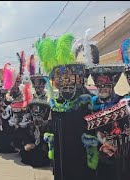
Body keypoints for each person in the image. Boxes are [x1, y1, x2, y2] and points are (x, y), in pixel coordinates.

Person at [35, 34, 94, 180]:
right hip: (61, 153)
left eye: (68, 79)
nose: (65, 84)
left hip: (80, 153)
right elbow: (51, 124)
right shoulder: (57, 102)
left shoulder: (86, 100)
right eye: (61, 80)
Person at [83, 64, 129, 180]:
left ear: (112, 86)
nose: (102, 89)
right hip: (98, 152)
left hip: (118, 154)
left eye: (105, 86)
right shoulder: (92, 103)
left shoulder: (121, 101)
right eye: (99, 86)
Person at [0, 84, 17, 153]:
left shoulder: (8, 105)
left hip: (6, 124)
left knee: (5, 135)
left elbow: (6, 116)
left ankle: (6, 147)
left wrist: (2, 109)